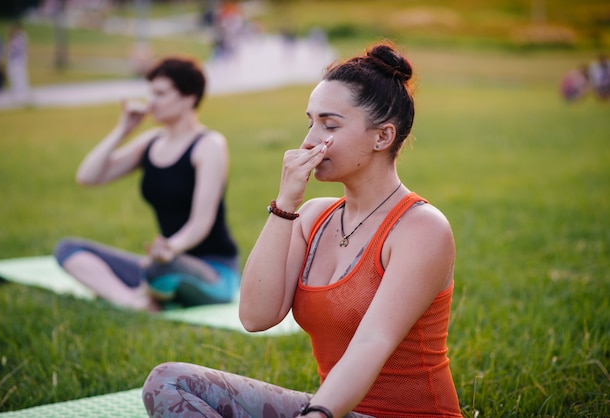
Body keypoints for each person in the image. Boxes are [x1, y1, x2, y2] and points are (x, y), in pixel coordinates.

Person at [142, 41, 462, 417]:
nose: (310, 140)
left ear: (383, 137)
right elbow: (256, 316)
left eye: (330, 124)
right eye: (310, 122)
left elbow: (371, 343)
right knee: (169, 381)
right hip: (333, 410)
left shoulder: (421, 228)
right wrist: (285, 205)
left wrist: (317, 414)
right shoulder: (313, 217)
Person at [54, 57, 240, 312]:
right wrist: (124, 128)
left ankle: (144, 292)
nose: (151, 102)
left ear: (189, 97)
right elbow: (88, 176)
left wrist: (170, 248)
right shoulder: (151, 142)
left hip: (212, 272)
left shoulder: (209, 145)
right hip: (164, 261)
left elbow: (201, 223)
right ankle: (132, 301)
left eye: (161, 94)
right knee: (69, 249)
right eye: (151, 93)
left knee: (158, 268)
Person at [5, 21, 30, 101]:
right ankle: (16, 93)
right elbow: (8, 49)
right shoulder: (13, 37)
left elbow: (19, 49)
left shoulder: (21, 36)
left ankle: (23, 94)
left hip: (19, 60)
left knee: (21, 77)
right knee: (13, 77)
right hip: (13, 60)